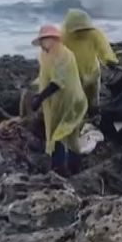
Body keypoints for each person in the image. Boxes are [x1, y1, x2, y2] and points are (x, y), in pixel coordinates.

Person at [30, 25, 88, 177]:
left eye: (45, 39)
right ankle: (74, 171)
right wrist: (36, 93)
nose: (42, 43)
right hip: (57, 103)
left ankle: (59, 173)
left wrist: (40, 98)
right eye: (41, 40)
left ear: (53, 39)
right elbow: (45, 76)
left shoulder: (64, 55)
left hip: (71, 101)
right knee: (68, 136)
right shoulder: (45, 55)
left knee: (59, 136)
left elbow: (58, 82)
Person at [61, 8, 119, 111]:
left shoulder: (95, 34)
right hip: (74, 75)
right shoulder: (62, 37)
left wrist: (110, 61)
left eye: (84, 29)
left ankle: (93, 116)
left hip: (93, 72)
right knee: (76, 103)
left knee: (93, 102)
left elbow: (104, 49)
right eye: (78, 30)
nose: (82, 32)